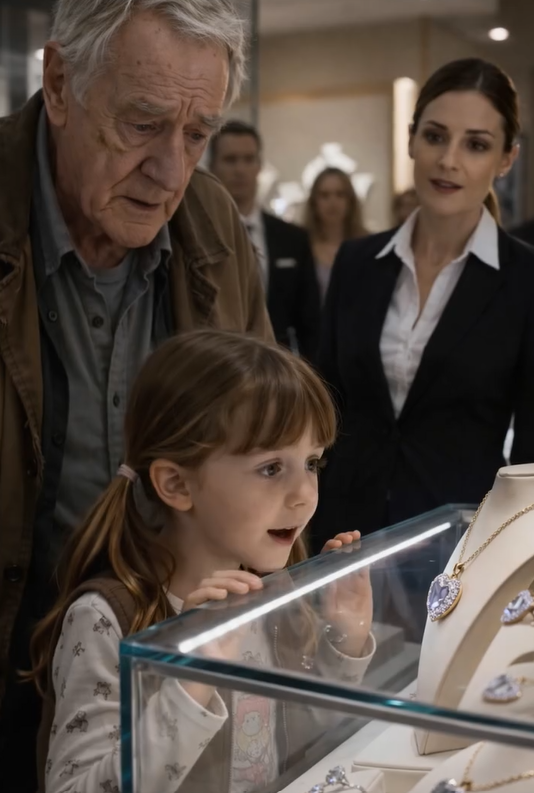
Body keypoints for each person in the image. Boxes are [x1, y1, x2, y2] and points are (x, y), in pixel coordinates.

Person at [0, 2, 274, 790]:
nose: (171, 171)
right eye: (144, 124)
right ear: (59, 84)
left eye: (197, 134)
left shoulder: (213, 223)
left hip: (164, 679)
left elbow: (260, 438)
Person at [28, 329, 374, 793]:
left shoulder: (272, 592)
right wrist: (189, 680)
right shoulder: (104, 620)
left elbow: (303, 740)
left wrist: (346, 641)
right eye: (271, 468)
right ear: (176, 484)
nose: (304, 495)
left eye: (312, 463)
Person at [312, 58, 534, 551]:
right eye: (435, 136)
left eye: (476, 145)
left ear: (505, 159)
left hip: (462, 545)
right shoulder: (357, 262)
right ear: (411, 139)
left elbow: (530, 453)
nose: (448, 160)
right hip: (343, 535)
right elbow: (325, 408)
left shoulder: (524, 279)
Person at [210, 120, 322, 360]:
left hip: (275, 364)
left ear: (259, 166)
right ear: (213, 166)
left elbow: (309, 322)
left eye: (248, 159)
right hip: (213, 360)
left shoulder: (293, 239)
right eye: (230, 160)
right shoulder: (198, 233)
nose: (240, 169)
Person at [304, 167, 368, 303]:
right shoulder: (302, 247)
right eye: (324, 195)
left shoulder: (368, 246)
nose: (332, 202)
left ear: (350, 201)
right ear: (314, 202)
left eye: (340, 195)